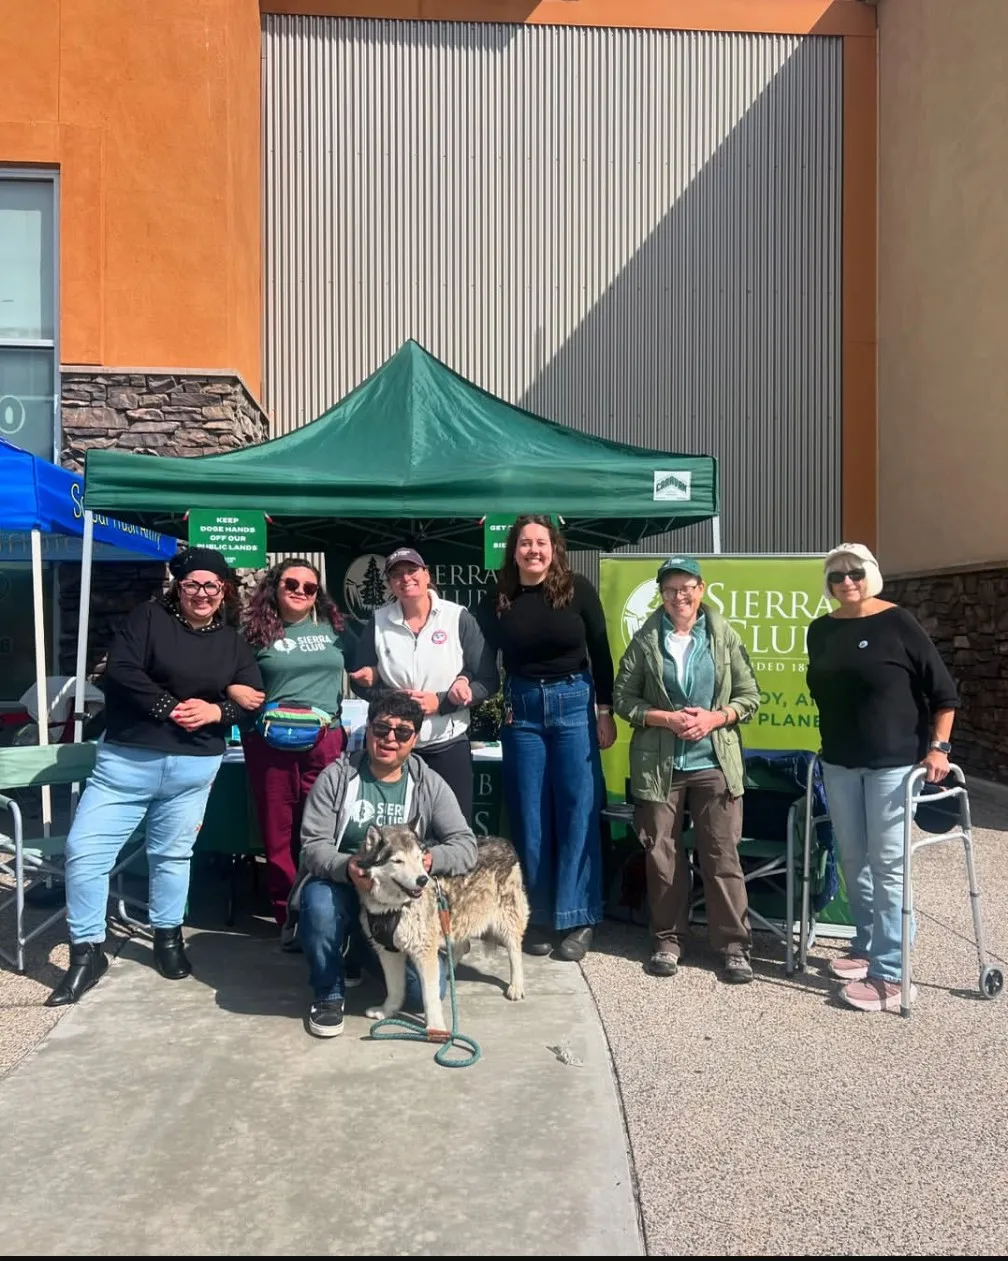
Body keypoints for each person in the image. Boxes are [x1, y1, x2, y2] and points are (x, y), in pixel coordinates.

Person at [46, 547, 263, 1007]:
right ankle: (87, 951)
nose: (201, 593)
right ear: (177, 587)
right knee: (84, 852)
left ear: (223, 591)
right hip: (127, 762)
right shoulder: (148, 619)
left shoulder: (232, 642)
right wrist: (169, 707)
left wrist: (214, 709)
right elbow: (121, 670)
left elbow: (251, 700)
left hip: (193, 767)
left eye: (211, 585)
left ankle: (168, 939)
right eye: (192, 584)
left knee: (172, 855)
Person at [807, 542, 958, 1013]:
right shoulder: (821, 630)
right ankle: (869, 942)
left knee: (889, 863)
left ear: (870, 574)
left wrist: (938, 747)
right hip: (840, 761)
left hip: (894, 763)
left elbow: (944, 692)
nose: (846, 582)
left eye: (854, 573)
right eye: (836, 576)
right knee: (853, 859)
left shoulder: (898, 622)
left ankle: (892, 973)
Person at [286, 692, 478, 1038]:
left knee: (421, 996)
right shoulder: (337, 777)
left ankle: (358, 948)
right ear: (368, 729)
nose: (390, 738)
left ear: (414, 740)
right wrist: (348, 868)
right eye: (381, 728)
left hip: (399, 899)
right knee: (320, 904)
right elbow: (312, 846)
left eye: (402, 732)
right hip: (343, 881)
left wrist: (430, 860)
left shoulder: (428, 784)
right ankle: (328, 994)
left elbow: (466, 845)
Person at [613, 555, 761, 983]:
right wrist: (666, 718)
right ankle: (668, 940)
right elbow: (624, 700)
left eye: (687, 587)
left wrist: (715, 718)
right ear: (661, 595)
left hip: (713, 762)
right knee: (663, 856)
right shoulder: (645, 641)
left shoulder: (722, 636)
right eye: (671, 589)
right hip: (660, 766)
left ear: (701, 589)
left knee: (721, 855)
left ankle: (734, 947)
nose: (680, 596)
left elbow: (750, 696)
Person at [478, 514, 616, 963]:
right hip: (522, 710)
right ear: (512, 550)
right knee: (529, 814)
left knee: (578, 809)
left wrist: (605, 711)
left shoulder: (578, 589)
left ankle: (578, 917)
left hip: (575, 703)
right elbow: (479, 658)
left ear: (554, 548)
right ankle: (535, 917)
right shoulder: (499, 597)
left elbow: (601, 652)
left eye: (541, 543)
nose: (533, 550)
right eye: (524, 543)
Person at [229, 558, 354, 937]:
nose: (300, 591)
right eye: (292, 584)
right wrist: (232, 689)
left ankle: (326, 913)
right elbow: (228, 677)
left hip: (325, 741)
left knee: (324, 830)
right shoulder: (252, 634)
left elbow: (369, 666)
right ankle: (289, 918)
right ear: (275, 587)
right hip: (269, 745)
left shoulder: (336, 629)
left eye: (309, 587)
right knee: (278, 833)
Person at [348, 547, 497, 823]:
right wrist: (395, 702)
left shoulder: (457, 617)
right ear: (390, 583)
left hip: (447, 745)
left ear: (426, 574)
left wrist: (443, 702)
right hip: (394, 748)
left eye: (412, 571)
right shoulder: (378, 621)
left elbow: (488, 680)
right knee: (398, 838)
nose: (405, 579)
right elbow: (361, 683)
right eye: (396, 575)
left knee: (453, 831)